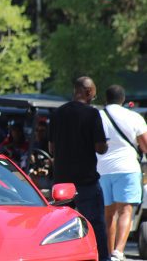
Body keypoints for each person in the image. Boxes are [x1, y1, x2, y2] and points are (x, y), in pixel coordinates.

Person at [48, 76, 110, 261]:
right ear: (89, 91)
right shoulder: (92, 114)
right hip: (86, 181)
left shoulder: (57, 113)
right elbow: (100, 147)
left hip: (61, 182)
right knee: (95, 224)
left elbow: (51, 148)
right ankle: (101, 258)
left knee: (62, 227)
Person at [97, 85, 147, 261]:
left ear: (106, 98)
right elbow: (145, 145)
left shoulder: (98, 116)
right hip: (127, 168)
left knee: (108, 213)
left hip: (102, 169)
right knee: (125, 211)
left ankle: (108, 253)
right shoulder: (134, 117)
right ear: (123, 99)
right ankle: (118, 252)